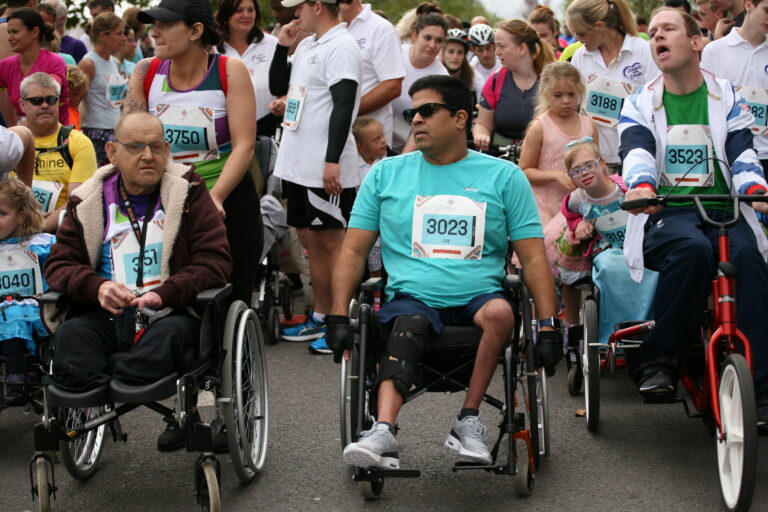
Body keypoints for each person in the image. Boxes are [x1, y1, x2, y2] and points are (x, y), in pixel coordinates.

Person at [327, 75, 562, 468]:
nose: (415, 119)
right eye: (411, 112)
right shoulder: (386, 175)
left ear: (459, 118)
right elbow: (352, 252)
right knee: (410, 321)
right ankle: (383, 430)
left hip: (478, 296)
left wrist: (549, 325)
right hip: (412, 298)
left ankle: (468, 422)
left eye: (427, 110)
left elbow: (535, 258)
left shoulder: (504, 177)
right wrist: (336, 314)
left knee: (503, 312)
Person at [45, 112, 232, 451]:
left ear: (167, 150)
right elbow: (60, 264)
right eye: (135, 147)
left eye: (155, 146)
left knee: (164, 342)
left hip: (169, 311)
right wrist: (96, 287)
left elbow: (215, 261)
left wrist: (165, 294)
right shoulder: (88, 200)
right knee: (71, 339)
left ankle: (134, 380)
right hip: (105, 312)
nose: (147, 155)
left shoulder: (188, 192)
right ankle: (103, 381)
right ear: (112, 152)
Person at [619, 8, 768, 423]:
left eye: (667, 29)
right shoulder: (641, 101)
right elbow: (637, 151)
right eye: (652, 33)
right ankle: (661, 359)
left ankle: (760, 383)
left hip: (726, 205)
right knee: (692, 250)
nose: (657, 38)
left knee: (749, 261)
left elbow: (742, 150)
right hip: (669, 209)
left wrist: (754, 188)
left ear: (697, 41)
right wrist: (642, 186)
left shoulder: (728, 94)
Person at [125, 0, 263, 308]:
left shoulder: (229, 70)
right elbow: (129, 142)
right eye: (153, 24)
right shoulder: (146, 71)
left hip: (227, 198)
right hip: (165, 198)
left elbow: (244, 145)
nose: (154, 32)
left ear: (195, 31)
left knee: (228, 302)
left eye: (165, 25)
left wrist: (216, 198)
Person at [268, 0, 362, 354]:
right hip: (299, 164)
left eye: (299, 8)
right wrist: (281, 46)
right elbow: (279, 85)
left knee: (332, 245)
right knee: (313, 242)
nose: (295, 14)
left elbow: (344, 103)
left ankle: (342, 322)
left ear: (317, 6)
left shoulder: (341, 46)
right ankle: (323, 315)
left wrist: (332, 159)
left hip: (323, 165)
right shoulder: (308, 43)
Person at [554, 138, 657, 344]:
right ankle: (611, 332)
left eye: (589, 165)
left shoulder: (625, 187)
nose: (584, 172)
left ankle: (648, 326)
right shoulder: (577, 199)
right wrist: (578, 226)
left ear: (602, 163)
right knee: (610, 267)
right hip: (607, 248)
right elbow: (570, 216)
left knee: (652, 270)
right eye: (577, 170)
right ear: (571, 176)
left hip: (639, 244)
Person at [518, 61, 597, 328]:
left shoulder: (588, 125)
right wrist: (554, 175)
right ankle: (546, 320)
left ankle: (572, 325)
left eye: (571, 95)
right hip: (545, 205)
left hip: (575, 208)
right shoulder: (541, 126)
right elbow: (524, 170)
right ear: (546, 96)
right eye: (558, 95)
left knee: (572, 269)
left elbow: (595, 162)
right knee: (545, 266)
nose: (565, 101)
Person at [565, 0, 660, 172]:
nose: (577, 39)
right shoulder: (580, 56)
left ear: (599, 26)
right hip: (595, 160)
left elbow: (657, 103)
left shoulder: (643, 51)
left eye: (581, 34)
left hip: (637, 155)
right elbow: (575, 104)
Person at [0, 179, 55, 406]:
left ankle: (18, 378)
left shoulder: (41, 244)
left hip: (35, 307)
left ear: (21, 216)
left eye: (2, 214)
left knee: (11, 316)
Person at [20, 72, 97, 232]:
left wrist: (38, 229)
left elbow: (77, 199)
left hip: (58, 232)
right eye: (36, 101)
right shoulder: (13, 142)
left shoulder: (79, 142)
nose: (45, 105)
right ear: (22, 105)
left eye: (51, 99)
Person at [701, 0, 768, 173]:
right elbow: (705, 103)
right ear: (748, 5)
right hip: (730, 154)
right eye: (767, 10)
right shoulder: (714, 51)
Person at [473, 19, 555, 151]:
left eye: (501, 46)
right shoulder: (494, 80)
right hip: (503, 155)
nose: (496, 52)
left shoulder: (552, 81)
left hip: (541, 156)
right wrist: (481, 135)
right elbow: (483, 124)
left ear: (522, 48)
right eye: (496, 46)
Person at [340, 0, 406, 149]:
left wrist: (344, 111)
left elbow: (392, 86)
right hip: (334, 137)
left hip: (371, 146)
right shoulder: (328, 29)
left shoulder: (381, 28)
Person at [217, 0, 281, 138]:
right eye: (239, 10)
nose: (246, 15)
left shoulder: (273, 44)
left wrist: (283, 101)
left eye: (250, 10)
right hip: (222, 133)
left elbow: (287, 85)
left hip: (265, 131)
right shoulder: (213, 48)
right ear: (225, 15)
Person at [0, 8, 70, 126]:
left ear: (35, 32)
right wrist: (13, 129)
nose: (10, 38)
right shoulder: (5, 66)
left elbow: (45, 101)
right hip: (24, 133)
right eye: (9, 32)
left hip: (56, 136)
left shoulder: (54, 62)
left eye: (15, 32)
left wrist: (16, 133)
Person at [390, 11, 449, 152]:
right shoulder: (396, 53)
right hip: (380, 140)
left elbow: (428, 123)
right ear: (415, 35)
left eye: (439, 40)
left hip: (414, 147)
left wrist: (403, 159)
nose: (432, 45)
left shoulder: (441, 78)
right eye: (427, 38)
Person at [79, 12, 127, 167]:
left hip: (115, 130)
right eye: (119, 33)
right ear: (103, 36)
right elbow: (75, 101)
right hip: (96, 131)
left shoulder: (116, 63)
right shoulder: (88, 63)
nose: (124, 38)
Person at [442, 28, 484, 103]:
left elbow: (482, 107)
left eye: (460, 52)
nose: (455, 57)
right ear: (443, 53)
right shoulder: (434, 73)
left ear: (465, 55)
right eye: (451, 52)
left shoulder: (475, 78)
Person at [66, 64, 88, 130]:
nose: (77, 99)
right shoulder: (63, 115)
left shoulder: (74, 112)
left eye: (79, 94)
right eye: (74, 94)